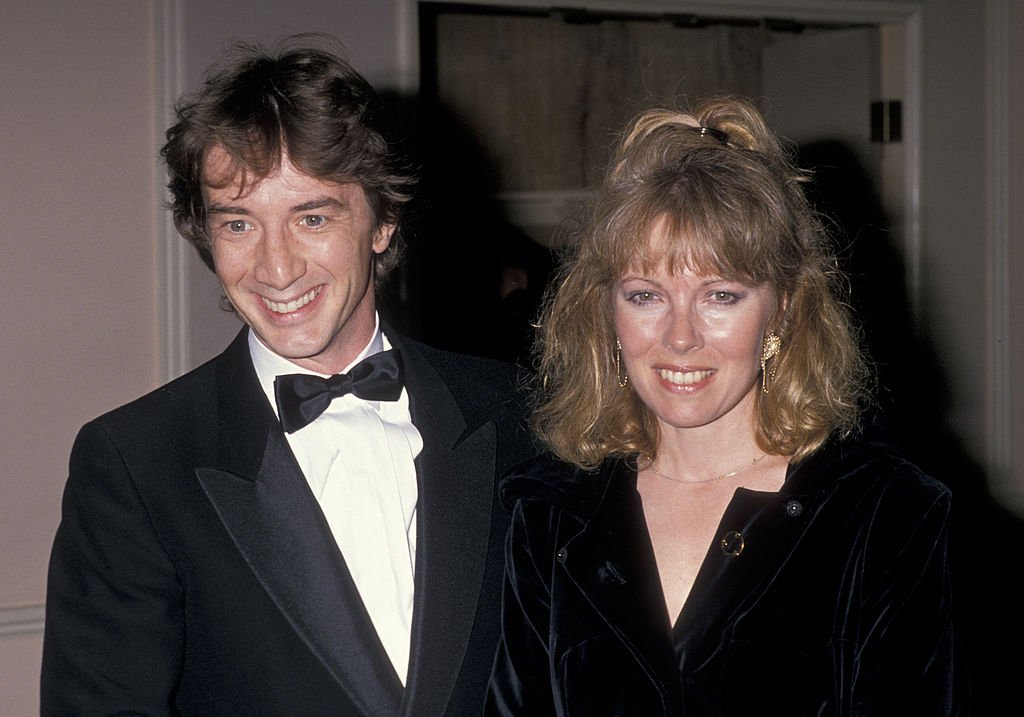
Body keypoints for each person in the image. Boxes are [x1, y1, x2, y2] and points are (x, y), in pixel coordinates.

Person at [41, 37, 535, 716]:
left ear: (383, 221)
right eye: (240, 223)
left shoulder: (517, 411)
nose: (276, 268)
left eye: (312, 217)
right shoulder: (135, 462)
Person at [485, 97, 960, 715]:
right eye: (646, 294)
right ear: (607, 309)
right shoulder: (549, 512)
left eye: (721, 295)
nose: (680, 337)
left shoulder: (887, 513)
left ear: (783, 308)